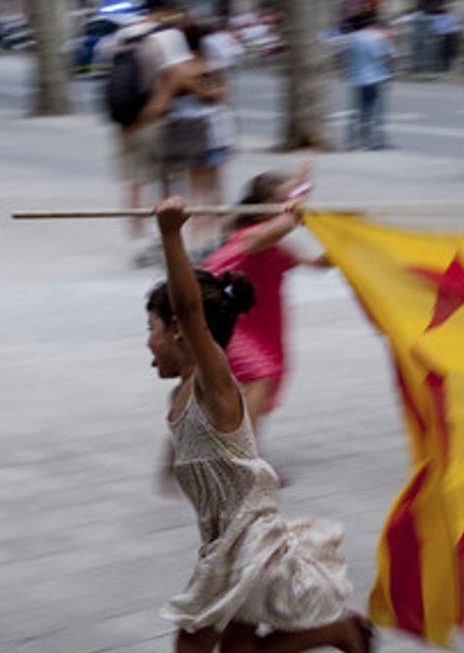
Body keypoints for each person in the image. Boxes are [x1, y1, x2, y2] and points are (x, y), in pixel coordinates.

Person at [147, 198, 374, 653]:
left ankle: (340, 631)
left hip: (248, 544)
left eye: (151, 329)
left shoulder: (214, 385)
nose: (146, 343)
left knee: (191, 649)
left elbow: (189, 307)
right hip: (228, 545)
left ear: (179, 333)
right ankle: (342, 632)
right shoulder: (183, 393)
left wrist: (171, 234)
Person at [201, 166, 324, 437]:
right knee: (261, 375)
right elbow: (285, 222)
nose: (285, 206)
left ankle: (235, 448)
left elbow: (319, 263)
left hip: (256, 326)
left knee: (261, 380)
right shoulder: (249, 237)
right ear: (259, 210)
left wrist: (350, 238)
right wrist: (298, 192)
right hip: (222, 321)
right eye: (278, 201)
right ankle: (243, 458)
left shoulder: (276, 248)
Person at [113, 0, 195, 267]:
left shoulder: (125, 33)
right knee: (167, 179)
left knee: (134, 181)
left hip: (126, 121)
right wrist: (156, 105)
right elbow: (180, 74)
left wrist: (130, 118)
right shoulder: (170, 35)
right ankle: (164, 240)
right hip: (156, 120)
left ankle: (137, 243)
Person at [177, 23, 236, 260]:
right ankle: (216, 239)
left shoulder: (180, 68)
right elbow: (220, 95)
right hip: (213, 132)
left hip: (192, 133)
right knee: (213, 190)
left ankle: (200, 243)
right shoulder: (207, 65)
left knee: (198, 191)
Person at [344, 12, 396, 151]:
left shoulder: (352, 38)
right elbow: (389, 55)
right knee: (378, 112)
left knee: (359, 111)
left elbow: (345, 57)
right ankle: (378, 142)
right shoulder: (378, 37)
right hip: (377, 77)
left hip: (358, 78)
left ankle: (354, 142)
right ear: (372, 24)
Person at [433, 3, 464, 72]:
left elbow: (457, 25)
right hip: (445, 35)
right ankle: (443, 65)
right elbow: (437, 27)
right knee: (443, 51)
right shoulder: (440, 17)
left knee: (449, 50)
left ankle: (447, 65)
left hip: (450, 35)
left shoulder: (453, 16)